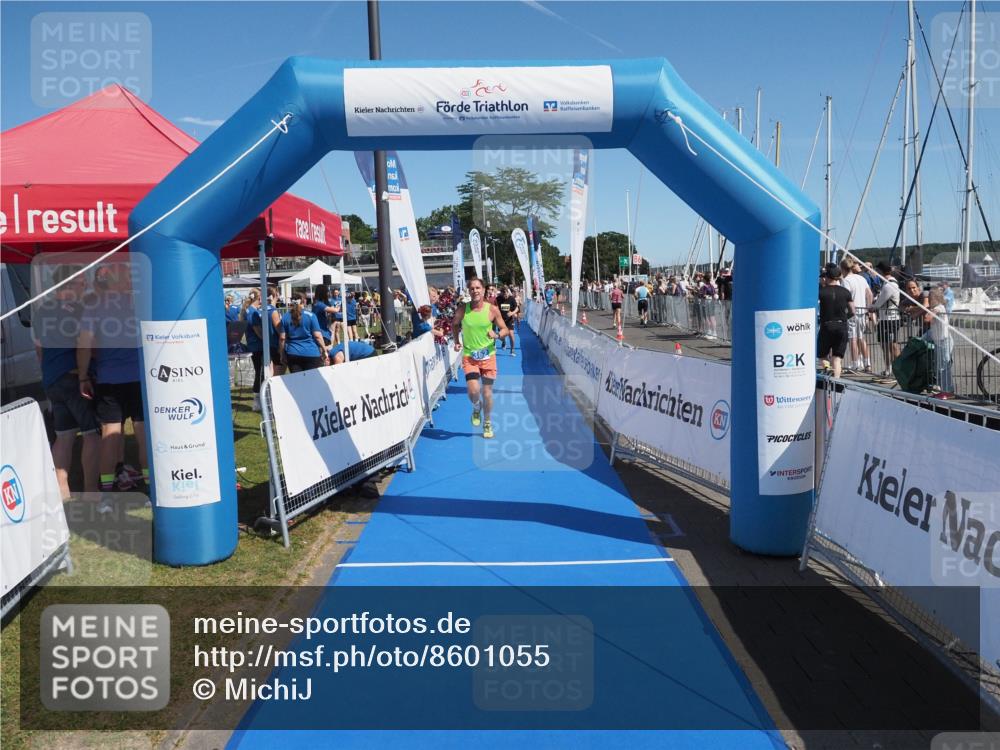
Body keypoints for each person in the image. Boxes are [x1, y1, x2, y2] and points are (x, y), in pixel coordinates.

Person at [76, 262, 148, 513]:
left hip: (109, 379)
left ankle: (106, 495)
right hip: (139, 379)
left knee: (110, 434)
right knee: (143, 434)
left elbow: (84, 345)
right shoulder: (139, 304)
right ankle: (151, 490)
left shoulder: (93, 307)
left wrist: (82, 377)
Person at [33, 267, 101, 499]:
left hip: (52, 379)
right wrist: (86, 374)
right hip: (74, 378)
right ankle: (92, 492)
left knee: (64, 437)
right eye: (82, 283)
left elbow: (39, 349)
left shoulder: (41, 311)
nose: (85, 287)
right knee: (92, 434)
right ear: (68, 285)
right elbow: (86, 344)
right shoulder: (79, 310)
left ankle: (62, 495)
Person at [452, 278, 509, 439]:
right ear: (469, 291)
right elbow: (454, 324)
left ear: (483, 290)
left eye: (478, 288)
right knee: (473, 391)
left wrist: (496, 335)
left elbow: (504, 329)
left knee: (487, 393)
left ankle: (487, 422)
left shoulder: (492, 309)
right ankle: (477, 406)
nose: (475, 291)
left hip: (488, 356)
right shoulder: (463, 309)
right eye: (472, 288)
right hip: (470, 356)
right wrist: (456, 341)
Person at [246, 285, 283, 411]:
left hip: (259, 345)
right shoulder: (253, 311)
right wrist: (267, 341)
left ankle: (263, 398)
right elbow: (258, 331)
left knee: (263, 371)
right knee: (261, 372)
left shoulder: (255, 310)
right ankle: (259, 400)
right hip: (258, 346)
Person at [817, 264, 854, 378]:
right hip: (841, 326)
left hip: (827, 326)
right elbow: (853, 311)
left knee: (822, 356)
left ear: (827, 277)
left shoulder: (821, 292)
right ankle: (836, 381)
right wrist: (844, 318)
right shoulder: (846, 292)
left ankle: (827, 369)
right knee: (837, 359)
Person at [279, 293, 328, 372]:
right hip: (311, 353)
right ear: (304, 301)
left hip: (293, 353)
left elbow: (282, 338)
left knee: (297, 379)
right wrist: (324, 350)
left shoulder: (285, 317)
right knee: (312, 379)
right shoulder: (311, 316)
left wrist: (282, 354)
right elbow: (318, 336)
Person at [839, 259, 873, 372]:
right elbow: (869, 294)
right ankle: (867, 363)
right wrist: (868, 308)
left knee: (852, 338)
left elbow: (845, 297)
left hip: (851, 312)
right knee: (861, 337)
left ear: (842, 269)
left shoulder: (846, 281)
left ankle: (855, 363)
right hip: (862, 311)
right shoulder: (861, 278)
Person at [924, 288, 954, 393]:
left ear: (936, 298)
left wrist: (926, 307)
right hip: (939, 341)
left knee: (944, 368)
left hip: (944, 342)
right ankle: (942, 388)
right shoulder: (936, 308)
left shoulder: (938, 308)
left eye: (930, 297)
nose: (929, 300)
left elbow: (927, 318)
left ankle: (947, 391)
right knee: (939, 366)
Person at [873, 270, 901, 378]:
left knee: (892, 345)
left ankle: (896, 370)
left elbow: (878, 303)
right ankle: (889, 369)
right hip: (887, 319)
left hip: (889, 319)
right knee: (886, 345)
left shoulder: (889, 285)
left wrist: (872, 306)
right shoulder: (890, 284)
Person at [495, 285, 519, 355]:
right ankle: (504, 341)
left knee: (511, 335)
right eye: (504, 294)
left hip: (509, 320)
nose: (506, 295)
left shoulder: (511, 298)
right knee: (501, 336)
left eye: (506, 293)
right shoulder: (498, 299)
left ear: (508, 292)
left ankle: (512, 350)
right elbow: (494, 307)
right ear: (501, 293)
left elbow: (517, 308)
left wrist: (512, 313)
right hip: (501, 320)